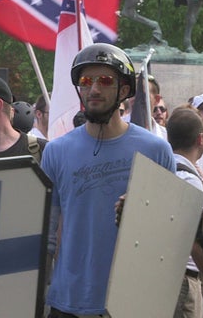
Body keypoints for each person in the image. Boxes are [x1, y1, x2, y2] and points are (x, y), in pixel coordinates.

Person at [41, 44, 175, 317]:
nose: (93, 89)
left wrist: (144, 212)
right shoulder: (55, 151)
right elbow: (45, 234)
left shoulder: (156, 149)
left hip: (131, 303)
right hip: (68, 301)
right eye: (86, 81)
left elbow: (171, 232)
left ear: (124, 91)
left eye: (104, 81)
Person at [167, 108, 203, 318]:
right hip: (185, 278)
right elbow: (194, 238)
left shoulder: (163, 170)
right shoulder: (191, 180)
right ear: (200, 139)